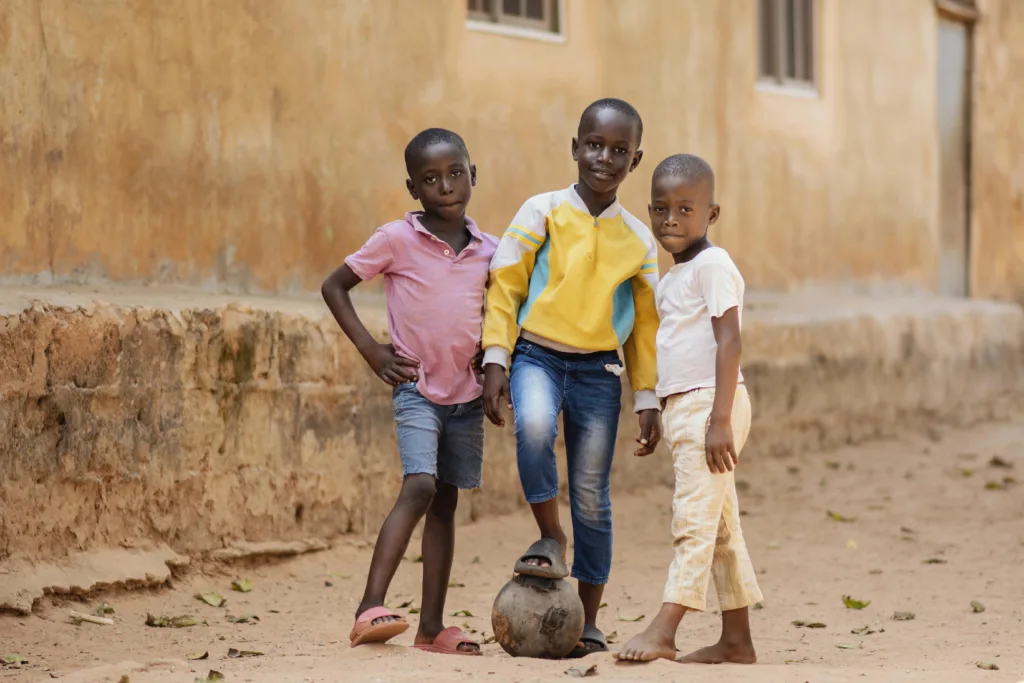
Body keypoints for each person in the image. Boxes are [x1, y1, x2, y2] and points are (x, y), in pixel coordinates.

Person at [480, 98, 662, 658]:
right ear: (575, 147)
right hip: (536, 354)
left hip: (600, 370)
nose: (604, 157)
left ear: (635, 160)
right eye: (594, 145)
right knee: (534, 427)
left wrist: (647, 396)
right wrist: (496, 357)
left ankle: (588, 619)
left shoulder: (639, 239)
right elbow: (506, 283)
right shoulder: (543, 210)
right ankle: (550, 535)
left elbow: (645, 326)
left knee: (592, 495)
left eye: (619, 150)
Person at [321, 128, 497, 656]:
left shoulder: (491, 251)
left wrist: (495, 363)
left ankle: (430, 629)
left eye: (455, 173)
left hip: (466, 397)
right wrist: (372, 351)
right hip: (417, 388)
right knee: (420, 486)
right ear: (412, 188)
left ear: (473, 175)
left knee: (445, 502)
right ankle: (368, 608)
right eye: (430, 178)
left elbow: (501, 315)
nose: (445, 186)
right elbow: (335, 286)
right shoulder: (396, 239)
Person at [616, 153, 761, 665]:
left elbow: (730, 342)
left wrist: (719, 420)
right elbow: (675, 347)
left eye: (685, 209)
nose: (670, 220)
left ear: (711, 214)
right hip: (685, 405)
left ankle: (665, 627)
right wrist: (656, 407)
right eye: (660, 209)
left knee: (692, 520)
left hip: (711, 406)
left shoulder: (713, 267)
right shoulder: (674, 276)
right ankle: (737, 640)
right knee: (720, 528)